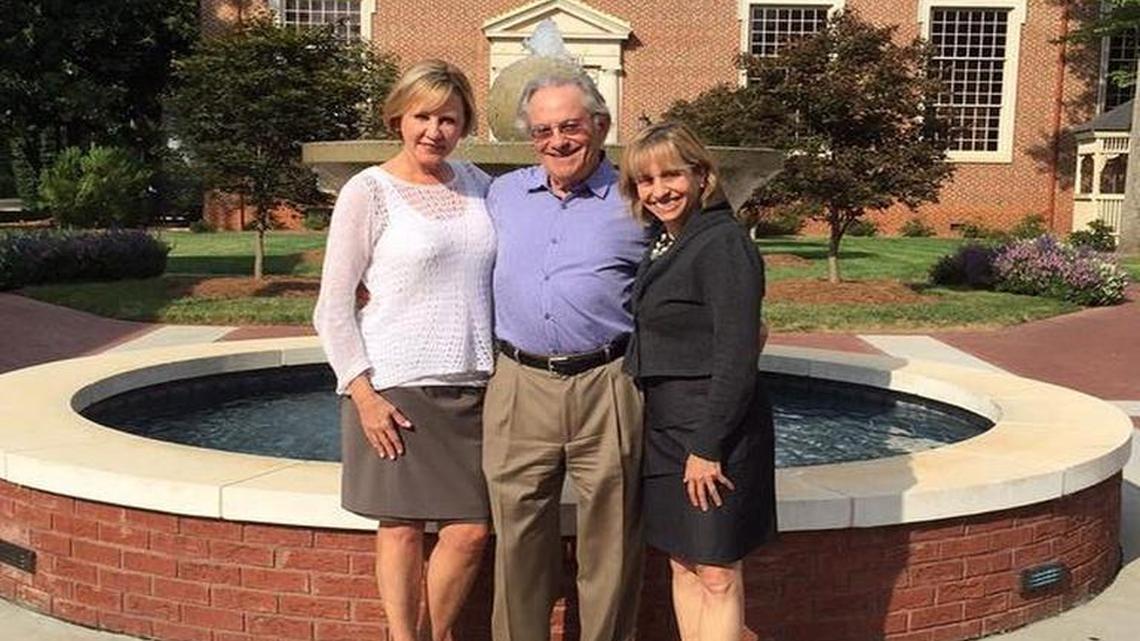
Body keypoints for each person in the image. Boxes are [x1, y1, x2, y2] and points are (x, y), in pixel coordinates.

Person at [312, 59, 495, 641]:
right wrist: (362, 394)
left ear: (464, 124)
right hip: (395, 387)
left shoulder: (480, 186)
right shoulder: (369, 191)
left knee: (470, 530)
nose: (434, 130)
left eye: (448, 118)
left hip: (479, 385)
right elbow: (333, 305)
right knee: (401, 528)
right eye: (423, 116)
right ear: (398, 117)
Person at [482, 69, 648, 641]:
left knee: (612, 539)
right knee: (516, 540)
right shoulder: (501, 194)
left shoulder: (636, 197)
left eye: (571, 126)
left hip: (609, 382)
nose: (558, 141)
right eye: (543, 130)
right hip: (518, 382)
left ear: (599, 126)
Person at [619, 122, 777, 641]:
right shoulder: (668, 241)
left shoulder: (722, 242)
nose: (658, 189)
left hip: (711, 427)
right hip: (667, 424)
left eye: (671, 175)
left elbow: (737, 355)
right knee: (682, 562)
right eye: (645, 180)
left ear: (701, 174)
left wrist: (708, 446)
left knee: (715, 572)